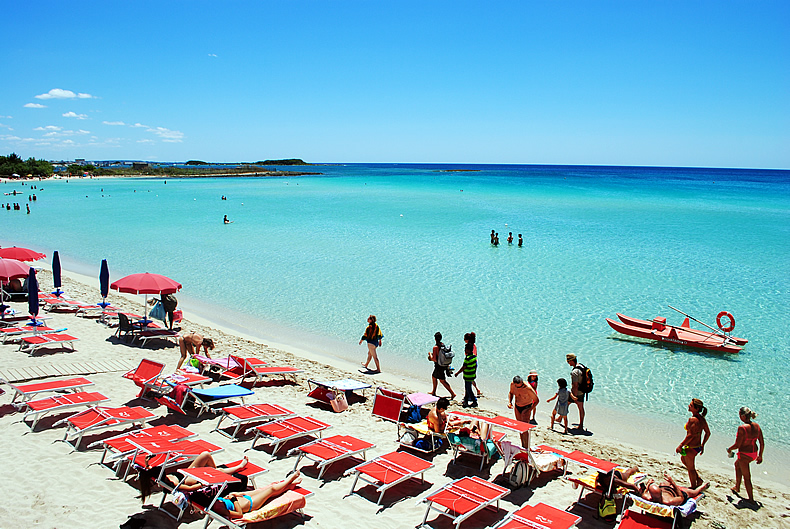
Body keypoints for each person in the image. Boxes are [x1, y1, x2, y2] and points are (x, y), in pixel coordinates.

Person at [215, 470, 303, 517]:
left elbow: (225, 498)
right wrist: (234, 499)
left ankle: (288, 486)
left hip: (243, 496)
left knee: (267, 490)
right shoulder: (220, 509)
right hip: (250, 503)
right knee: (271, 490)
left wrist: (232, 494)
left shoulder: (214, 501)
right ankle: (290, 479)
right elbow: (239, 514)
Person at [727, 406, 764, 503]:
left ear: (742, 416)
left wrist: (730, 449)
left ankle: (751, 499)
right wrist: (760, 455)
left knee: (747, 477)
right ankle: (737, 487)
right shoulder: (757, 426)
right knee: (737, 465)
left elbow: (737, 444)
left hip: (744, 454)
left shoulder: (742, 428)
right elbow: (761, 442)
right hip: (754, 453)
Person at [676, 398, 710, 487]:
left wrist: (680, 445)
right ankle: (698, 479)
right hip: (697, 446)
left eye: (691, 405)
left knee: (691, 469)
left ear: (696, 408)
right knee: (684, 460)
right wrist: (703, 445)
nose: (688, 406)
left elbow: (690, 435)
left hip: (691, 447)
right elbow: (708, 432)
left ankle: (693, 487)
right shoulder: (702, 419)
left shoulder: (693, 419)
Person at [641, 472, 709, 506]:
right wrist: (672, 482)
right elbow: (681, 497)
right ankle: (701, 488)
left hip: (664, 489)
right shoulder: (669, 501)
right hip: (674, 493)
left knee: (663, 483)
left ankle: (667, 484)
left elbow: (644, 492)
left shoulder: (647, 497)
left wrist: (649, 484)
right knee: (692, 492)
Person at [428, 332, 455, 399]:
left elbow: (434, 359)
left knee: (442, 380)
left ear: (435, 339)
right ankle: (433, 391)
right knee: (434, 377)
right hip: (443, 365)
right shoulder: (443, 345)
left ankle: (453, 393)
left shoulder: (435, 347)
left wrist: (430, 355)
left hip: (438, 366)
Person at [454, 340, 477, 408]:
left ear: (468, 350)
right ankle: (466, 401)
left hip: (467, 376)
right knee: (467, 388)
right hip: (472, 375)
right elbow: (475, 366)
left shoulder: (467, 358)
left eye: (465, 349)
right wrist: (474, 373)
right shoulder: (474, 357)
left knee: (468, 389)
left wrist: (457, 373)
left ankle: (474, 401)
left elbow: (464, 367)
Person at [566, 353, 586, 431]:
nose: (568, 363)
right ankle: (581, 425)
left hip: (577, 392)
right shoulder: (582, 366)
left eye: (568, 361)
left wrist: (574, 396)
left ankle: (560, 418)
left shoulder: (575, 372)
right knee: (581, 408)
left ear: (571, 361)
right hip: (583, 391)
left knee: (566, 403)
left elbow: (575, 385)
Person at [465, 332, 483, 397]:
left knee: (469, 379)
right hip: (474, 363)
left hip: (471, 363)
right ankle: (476, 390)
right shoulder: (473, 345)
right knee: (471, 379)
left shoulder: (470, 346)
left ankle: (469, 393)